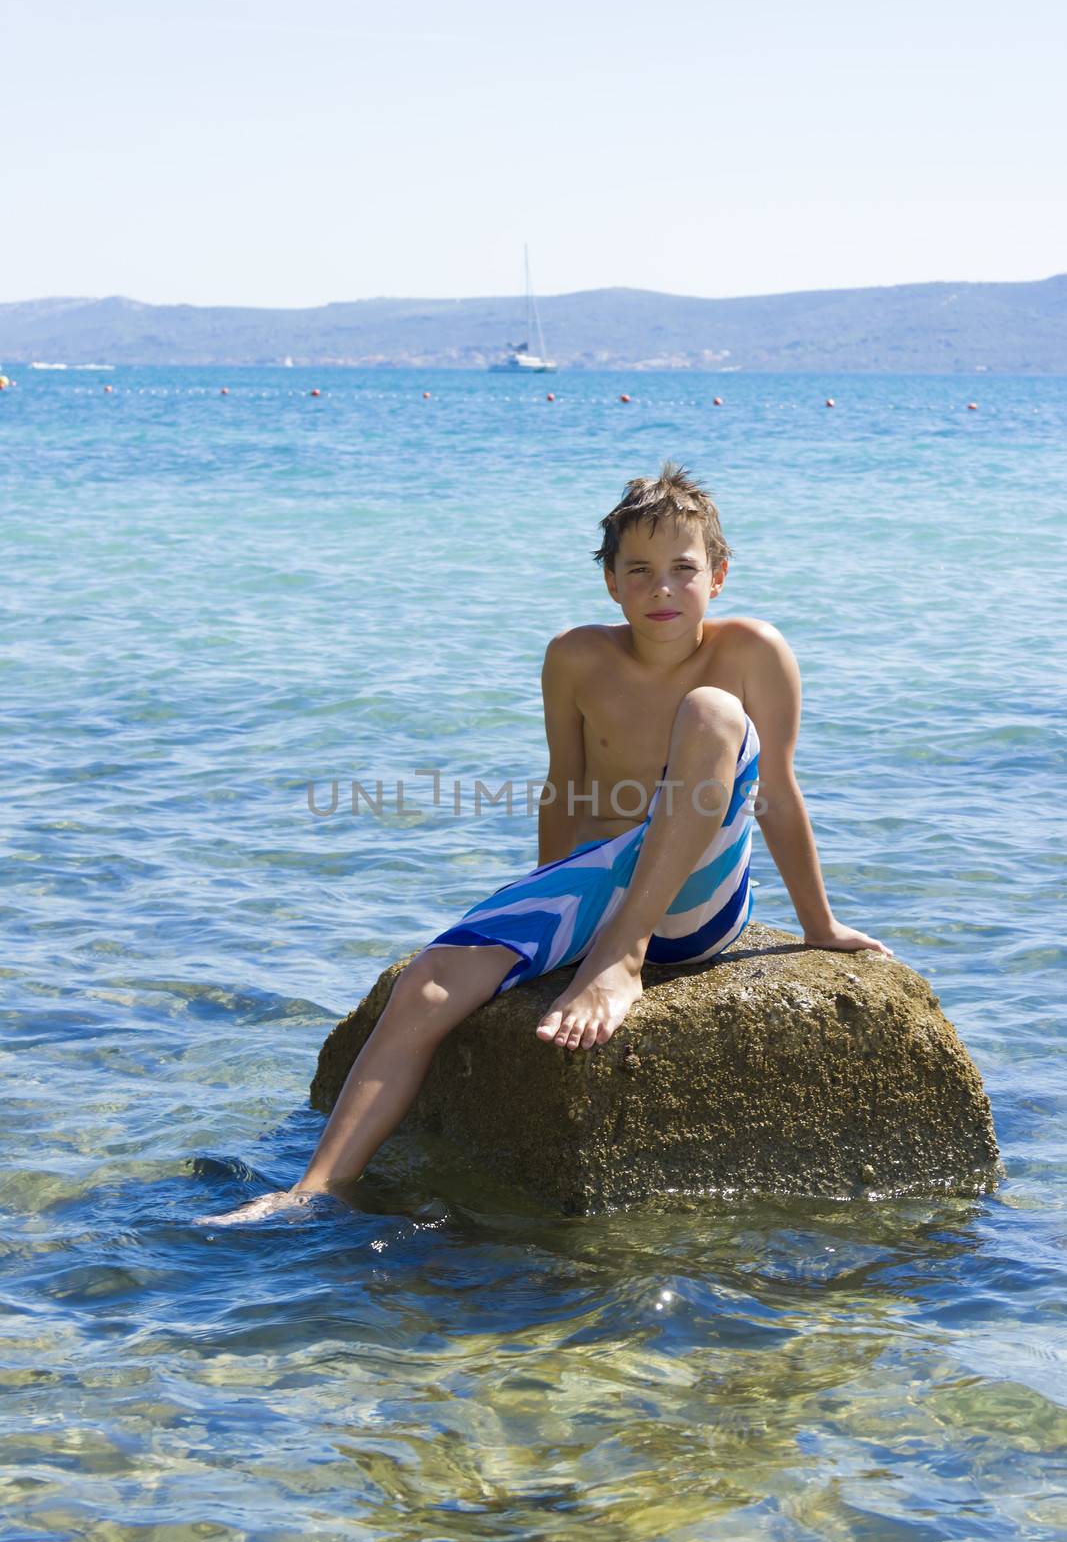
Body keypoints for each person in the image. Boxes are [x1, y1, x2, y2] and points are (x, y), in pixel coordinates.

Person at [199, 463, 889, 1225]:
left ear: (717, 576)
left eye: (682, 571)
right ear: (610, 584)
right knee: (427, 980)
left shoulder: (752, 650)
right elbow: (566, 788)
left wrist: (818, 927)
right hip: (598, 883)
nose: (661, 589)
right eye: (639, 572)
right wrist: (541, 917)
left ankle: (620, 961)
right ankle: (315, 1189)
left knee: (711, 713)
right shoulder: (574, 657)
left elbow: (779, 795)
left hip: (697, 896)